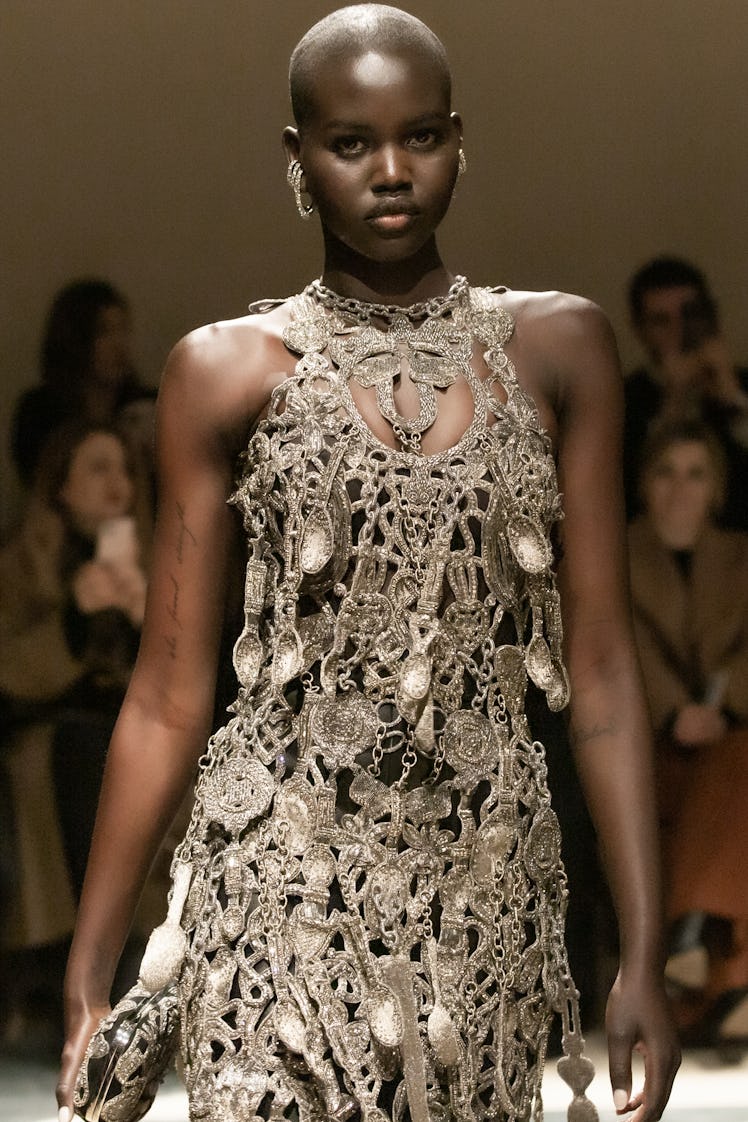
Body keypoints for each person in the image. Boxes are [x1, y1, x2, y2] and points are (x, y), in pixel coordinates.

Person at [57, 8, 680, 1122]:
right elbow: (164, 692)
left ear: (458, 140)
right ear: (297, 159)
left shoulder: (560, 348)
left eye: (422, 137)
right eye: (350, 144)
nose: (391, 172)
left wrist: (641, 946)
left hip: (484, 891)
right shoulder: (221, 373)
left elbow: (601, 668)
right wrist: (93, 958)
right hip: (271, 877)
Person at [0, 421, 146, 1050]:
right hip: (51, 732)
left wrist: (148, 618)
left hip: (129, 728)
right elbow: (13, 666)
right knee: (83, 759)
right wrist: (73, 616)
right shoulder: (25, 558)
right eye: (98, 468)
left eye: (123, 468)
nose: (119, 483)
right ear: (59, 487)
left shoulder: (154, 548)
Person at [627, 419, 748, 1052]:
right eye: (666, 471)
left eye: (696, 473)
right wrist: (676, 712)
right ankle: (719, 970)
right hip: (652, 750)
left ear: (717, 488)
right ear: (645, 484)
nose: (681, 489)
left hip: (729, 740)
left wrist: (723, 711)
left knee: (739, 762)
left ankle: (697, 945)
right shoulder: (619, 552)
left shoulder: (741, 558)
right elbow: (619, 652)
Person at [11, 278, 157, 547]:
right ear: (75, 339)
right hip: (59, 543)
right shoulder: (40, 412)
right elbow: (40, 489)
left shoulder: (147, 406)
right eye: (104, 332)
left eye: (123, 330)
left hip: (138, 540)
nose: (118, 344)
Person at [623, 256, 748, 532]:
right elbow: (625, 496)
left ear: (710, 315)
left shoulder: (742, 384)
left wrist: (734, 401)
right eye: (661, 321)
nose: (679, 330)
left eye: (690, 315)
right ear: (640, 329)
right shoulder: (622, 400)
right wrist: (673, 402)